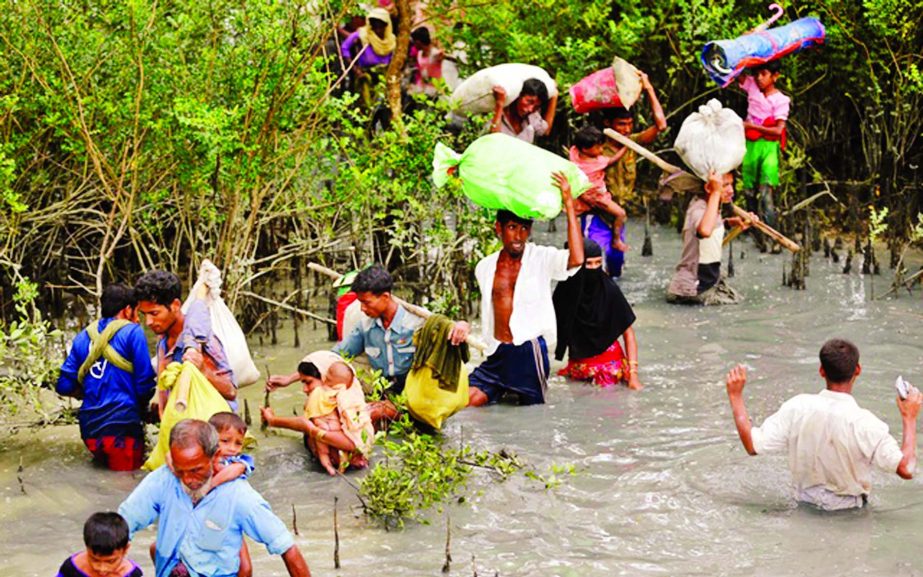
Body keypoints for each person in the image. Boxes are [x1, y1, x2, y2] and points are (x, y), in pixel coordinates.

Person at [725, 339, 922, 511]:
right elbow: (906, 469)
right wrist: (909, 417)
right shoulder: (866, 423)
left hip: (801, 508)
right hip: (849, 516)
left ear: (821, 370)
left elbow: (752, 445)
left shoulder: (797, 407)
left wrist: (735, 396)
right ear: (858, 370)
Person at [118, 419, 311, 577]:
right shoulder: (164, 479)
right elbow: (124, 523)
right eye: (180, 470)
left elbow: (286, 547)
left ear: (215, 456)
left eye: (196, 470)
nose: (187, 480)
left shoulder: (238, 495)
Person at [467, 172, 583, 407]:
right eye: (512, 227)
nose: (518, 236)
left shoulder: (541, 258)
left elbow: (577, 259)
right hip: (497, 352)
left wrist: (569, 205)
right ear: (498, 228)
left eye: (524, 228)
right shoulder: (485, 267)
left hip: (528, 353)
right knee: (465, 402)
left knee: (534, 415)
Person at [56, 284, 157, 471]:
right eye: (137, 312)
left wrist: (89, 391)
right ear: (128, 310)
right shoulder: (132, 332)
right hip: (122, 429)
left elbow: (63, 385)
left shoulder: (82, 337)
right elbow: (144, 384)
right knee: (124, 488)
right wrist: (145, 410)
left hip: (90, 431)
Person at [332, 264, 469, 394]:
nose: (362, 308)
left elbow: (447, 329)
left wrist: (462, 325)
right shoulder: (365, 326)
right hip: (384, 389)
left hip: (415, 392)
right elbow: (338, 354)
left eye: (366, 303)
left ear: (385, 297)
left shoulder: (418, 322)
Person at [593, 71, 667, 277]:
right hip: (597, 213)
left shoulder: (633, 142)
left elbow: (661, 125)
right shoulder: (595, 147)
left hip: (620, 214)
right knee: (594, 261)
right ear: (608, 124)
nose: (626, 130)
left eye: (629, 125)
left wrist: (649, 88)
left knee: (616, 263)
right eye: (620, 125)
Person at [134, 270, 236, 410]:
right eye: (144, 314)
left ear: (175, 305)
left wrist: (203, 370)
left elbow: (230, 391)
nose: (149, 322)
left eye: (154, 313)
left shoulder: (202, 341)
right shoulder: (163, 342)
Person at [552, 239, 642, 390]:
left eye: (598, 263)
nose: (594, 268)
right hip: (578, 368)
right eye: (588, 264)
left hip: (609, 367)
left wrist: (633, 375)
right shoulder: (565, 292)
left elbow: (628, 333)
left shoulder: (609, 290)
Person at [263, 354, 374, 475]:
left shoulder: (352, 408)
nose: (304, 389)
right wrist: (289, 379)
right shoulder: (324, 400)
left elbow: (357, 444)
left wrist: (314, 431)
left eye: (308, 382)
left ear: (326, 379)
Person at [664, 171, 754, 305]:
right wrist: (716, 192)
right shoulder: (698, 209)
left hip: (701, 285)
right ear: (708, 188)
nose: (731, 190)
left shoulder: (709, 206)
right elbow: (705, 231)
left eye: (731, 184)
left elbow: (709, 231)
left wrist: (730, 223)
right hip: (692, 290)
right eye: (725, 185)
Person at [736, 60, 789, 236]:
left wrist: (752, 127)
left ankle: (772, 233)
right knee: (748, 189)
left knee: (766, 191)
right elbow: (735, 72)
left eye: (764, 74)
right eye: (757, 74)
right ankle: (753, 231)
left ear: (775, 76)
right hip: (750, 145)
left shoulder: (781, 100)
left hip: (768, 146)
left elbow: (778, 129)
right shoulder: (751, 85)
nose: (759, 78)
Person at [568, 125, 630, 255]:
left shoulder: (574, 155)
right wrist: (626, 146)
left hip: (584, 197)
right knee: (621, 214)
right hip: (596, 196)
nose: (601, 150)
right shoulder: (596, 163)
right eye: (598, 147)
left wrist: (626, 145)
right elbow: (613, 160)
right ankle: (616, 240)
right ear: (585, 149)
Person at [340, 8, 396, 108]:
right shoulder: (363, 35)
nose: (378, 29)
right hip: (365, 75)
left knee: (382, 106)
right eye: (375, 26)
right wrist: (355, 69)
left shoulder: (391, 40)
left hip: (383, 76)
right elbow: (345, 48)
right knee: (366, 106)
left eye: (380, 26)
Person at [57, 512, 142, 577]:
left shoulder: (133, 574)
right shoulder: (72, 568)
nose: (102, 569)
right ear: (87, 547)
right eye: (94, 560)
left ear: (125, 549)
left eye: (110, 561)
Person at [488, 78, 557, 144]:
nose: (530, 109)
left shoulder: (532, 117)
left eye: (536, 107)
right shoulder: (496, 115)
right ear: (519, 96)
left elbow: (545, 131)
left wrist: (554, 97)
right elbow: (494, 140)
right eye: (529, 101)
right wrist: (499, 104)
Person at [409, 26, 444, 97]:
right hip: (422, 89)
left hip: (434, 91)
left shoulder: (435, 54)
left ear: (418, 42)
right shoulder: (419, 54)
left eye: (415, 42)